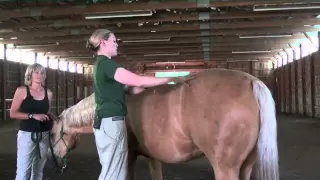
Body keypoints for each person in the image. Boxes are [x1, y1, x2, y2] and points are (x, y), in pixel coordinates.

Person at [86, 29, 194, 180]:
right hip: (111, 121)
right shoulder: (106, 64)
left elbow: (133, 88)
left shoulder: (100, 65)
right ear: (103, 42)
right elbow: (136, 80)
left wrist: (156, 92)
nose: (117, 44)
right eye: (114, 41)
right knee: (113, 173)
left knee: (115, 170)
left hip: (107, 121)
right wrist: (171, 79)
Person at [10, 63, 53, 180]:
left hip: (44, 134)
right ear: (30, 74)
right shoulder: (22, 91)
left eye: (42, 72)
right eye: (36, 72)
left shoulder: (48, 93)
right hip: (27, 134)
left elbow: (47, 113)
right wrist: (32, 115)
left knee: (38, 171)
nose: (39, 75)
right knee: (23, 171)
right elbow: (13, 113)